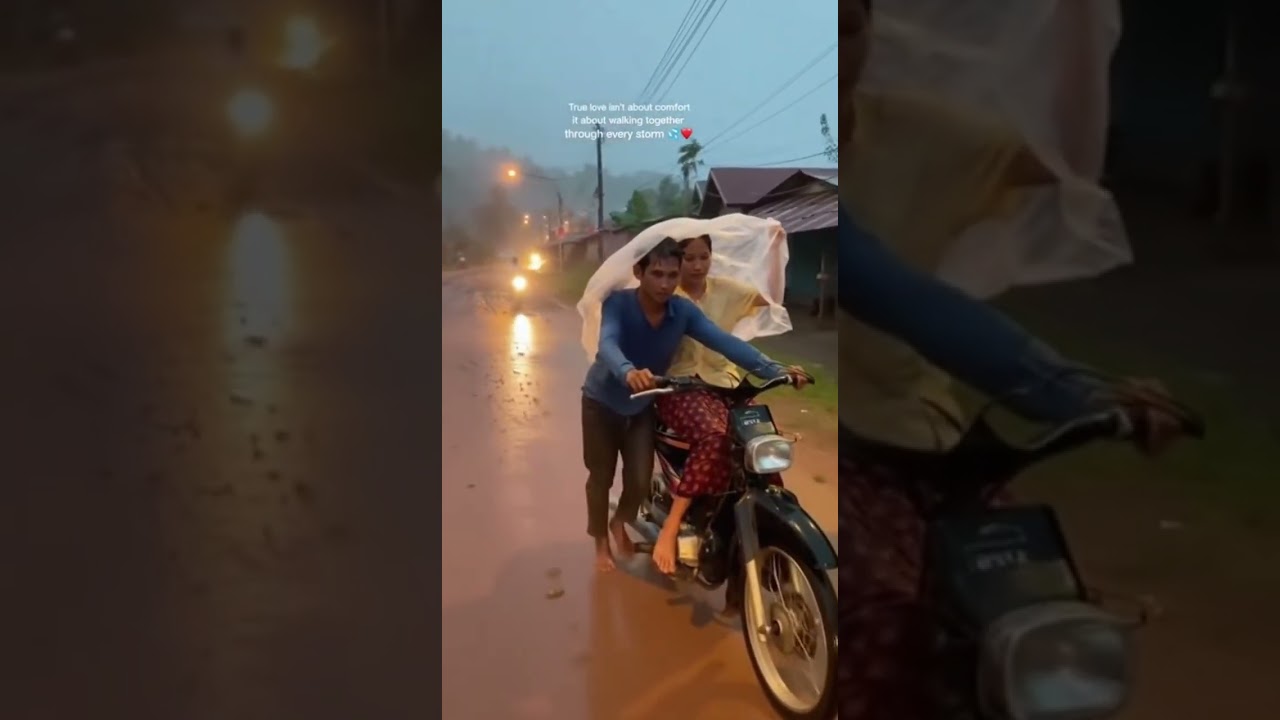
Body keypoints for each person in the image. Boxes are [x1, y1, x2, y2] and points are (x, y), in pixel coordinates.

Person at [838, 5, 1188, 718]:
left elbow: (1066, 156)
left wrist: (1079, 25)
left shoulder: (921, 131)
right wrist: (1074, 391)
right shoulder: (753, 170)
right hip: (802, 426)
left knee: (1030, 613)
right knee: (887, 626)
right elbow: (892, 291)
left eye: (848, 27)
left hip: (920, 430)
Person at [581, 237, 805, 572]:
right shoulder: (619, 304)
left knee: (639, 479)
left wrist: (774, 369)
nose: (665, 284)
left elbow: (725, 342)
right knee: (600, 476)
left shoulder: (683, 311)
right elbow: (608, 343)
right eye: (657, 274)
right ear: (639, 272)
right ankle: (601, 541)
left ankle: (620, 520)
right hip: (602, 402)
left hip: (641, 406)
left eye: (672, 275)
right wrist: (628, 371)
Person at [650, 234, 805, 575]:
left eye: (703, 257)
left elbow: (770, 297)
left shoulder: (728, 291)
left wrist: (775, 250)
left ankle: (771, 524)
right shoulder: (665, 294)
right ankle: (672, 526)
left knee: (759, 443)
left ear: (711, 257)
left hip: (727, 384)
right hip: (680, 387)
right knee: (716, 438)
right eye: (688, 258)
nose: (697, 265)